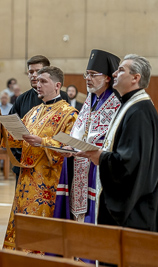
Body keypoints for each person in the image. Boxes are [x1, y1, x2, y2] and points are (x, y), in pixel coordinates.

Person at [0, 66, 77, 250]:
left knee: (42, 231)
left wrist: (43, 141)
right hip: (25, 181)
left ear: (57, 85)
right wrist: (3, 126)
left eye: (43, 81)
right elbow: (16, 140)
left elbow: (72, 148)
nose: (37, 84)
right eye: (37, 81)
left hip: (48, 184)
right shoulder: (33, 112)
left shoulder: (69, 114)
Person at [76, 54, 158, 232]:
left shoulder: (139, 111)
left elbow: (130, 162)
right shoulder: (130, 104)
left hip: (134, 207)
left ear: (135, 78)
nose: (114, 73)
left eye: (121, 70)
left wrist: (100, 157)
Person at [54, 50, 121, 227]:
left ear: (108, 77)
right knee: (77, 216)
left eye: (92, 75)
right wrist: (69, 147)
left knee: (95, 215)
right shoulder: (91, 99)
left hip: (98, 169)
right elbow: (79, 131)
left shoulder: (116, 102)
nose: (87, 78)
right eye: (86, 74)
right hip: (79, 165)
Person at [9, 55, 69, 184]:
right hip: (24, 163)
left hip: (48, 166)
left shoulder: (63, 100)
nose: (34, 75)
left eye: (38, 72)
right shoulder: (22, 99)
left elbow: (65, 135)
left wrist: (42, 143)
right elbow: (13, 129)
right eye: (31, 72)